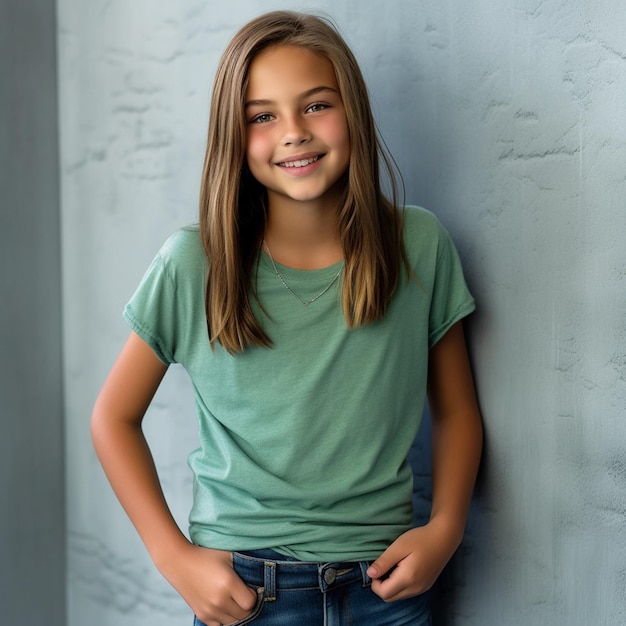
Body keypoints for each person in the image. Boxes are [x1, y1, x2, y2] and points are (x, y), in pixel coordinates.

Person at [91, 10, 483, 626]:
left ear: (353, 110)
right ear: (233, 134)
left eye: (317, 105)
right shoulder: (194, 263)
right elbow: (112, 418)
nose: (294, 132)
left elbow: (457, 410)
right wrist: (174, 559)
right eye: (262, 116)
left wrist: (447, 528)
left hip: (388, 590)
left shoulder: (420, 246)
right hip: (246, 591)